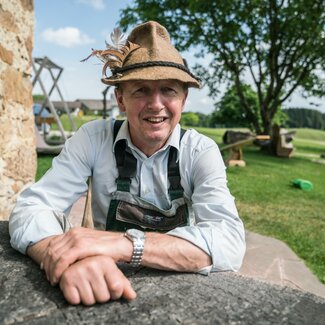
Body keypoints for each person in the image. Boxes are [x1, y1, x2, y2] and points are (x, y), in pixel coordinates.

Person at [9, 21, 245, 305]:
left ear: (183, 99)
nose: (156, 104)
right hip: (102, 284)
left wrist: (122, 244)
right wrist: (63, 257)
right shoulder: (94, 138)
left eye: (168, 90)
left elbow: (229, 242)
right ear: (120, 98)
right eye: (141, 90)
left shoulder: (199, 150)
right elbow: (32, 208)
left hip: (180, 289)